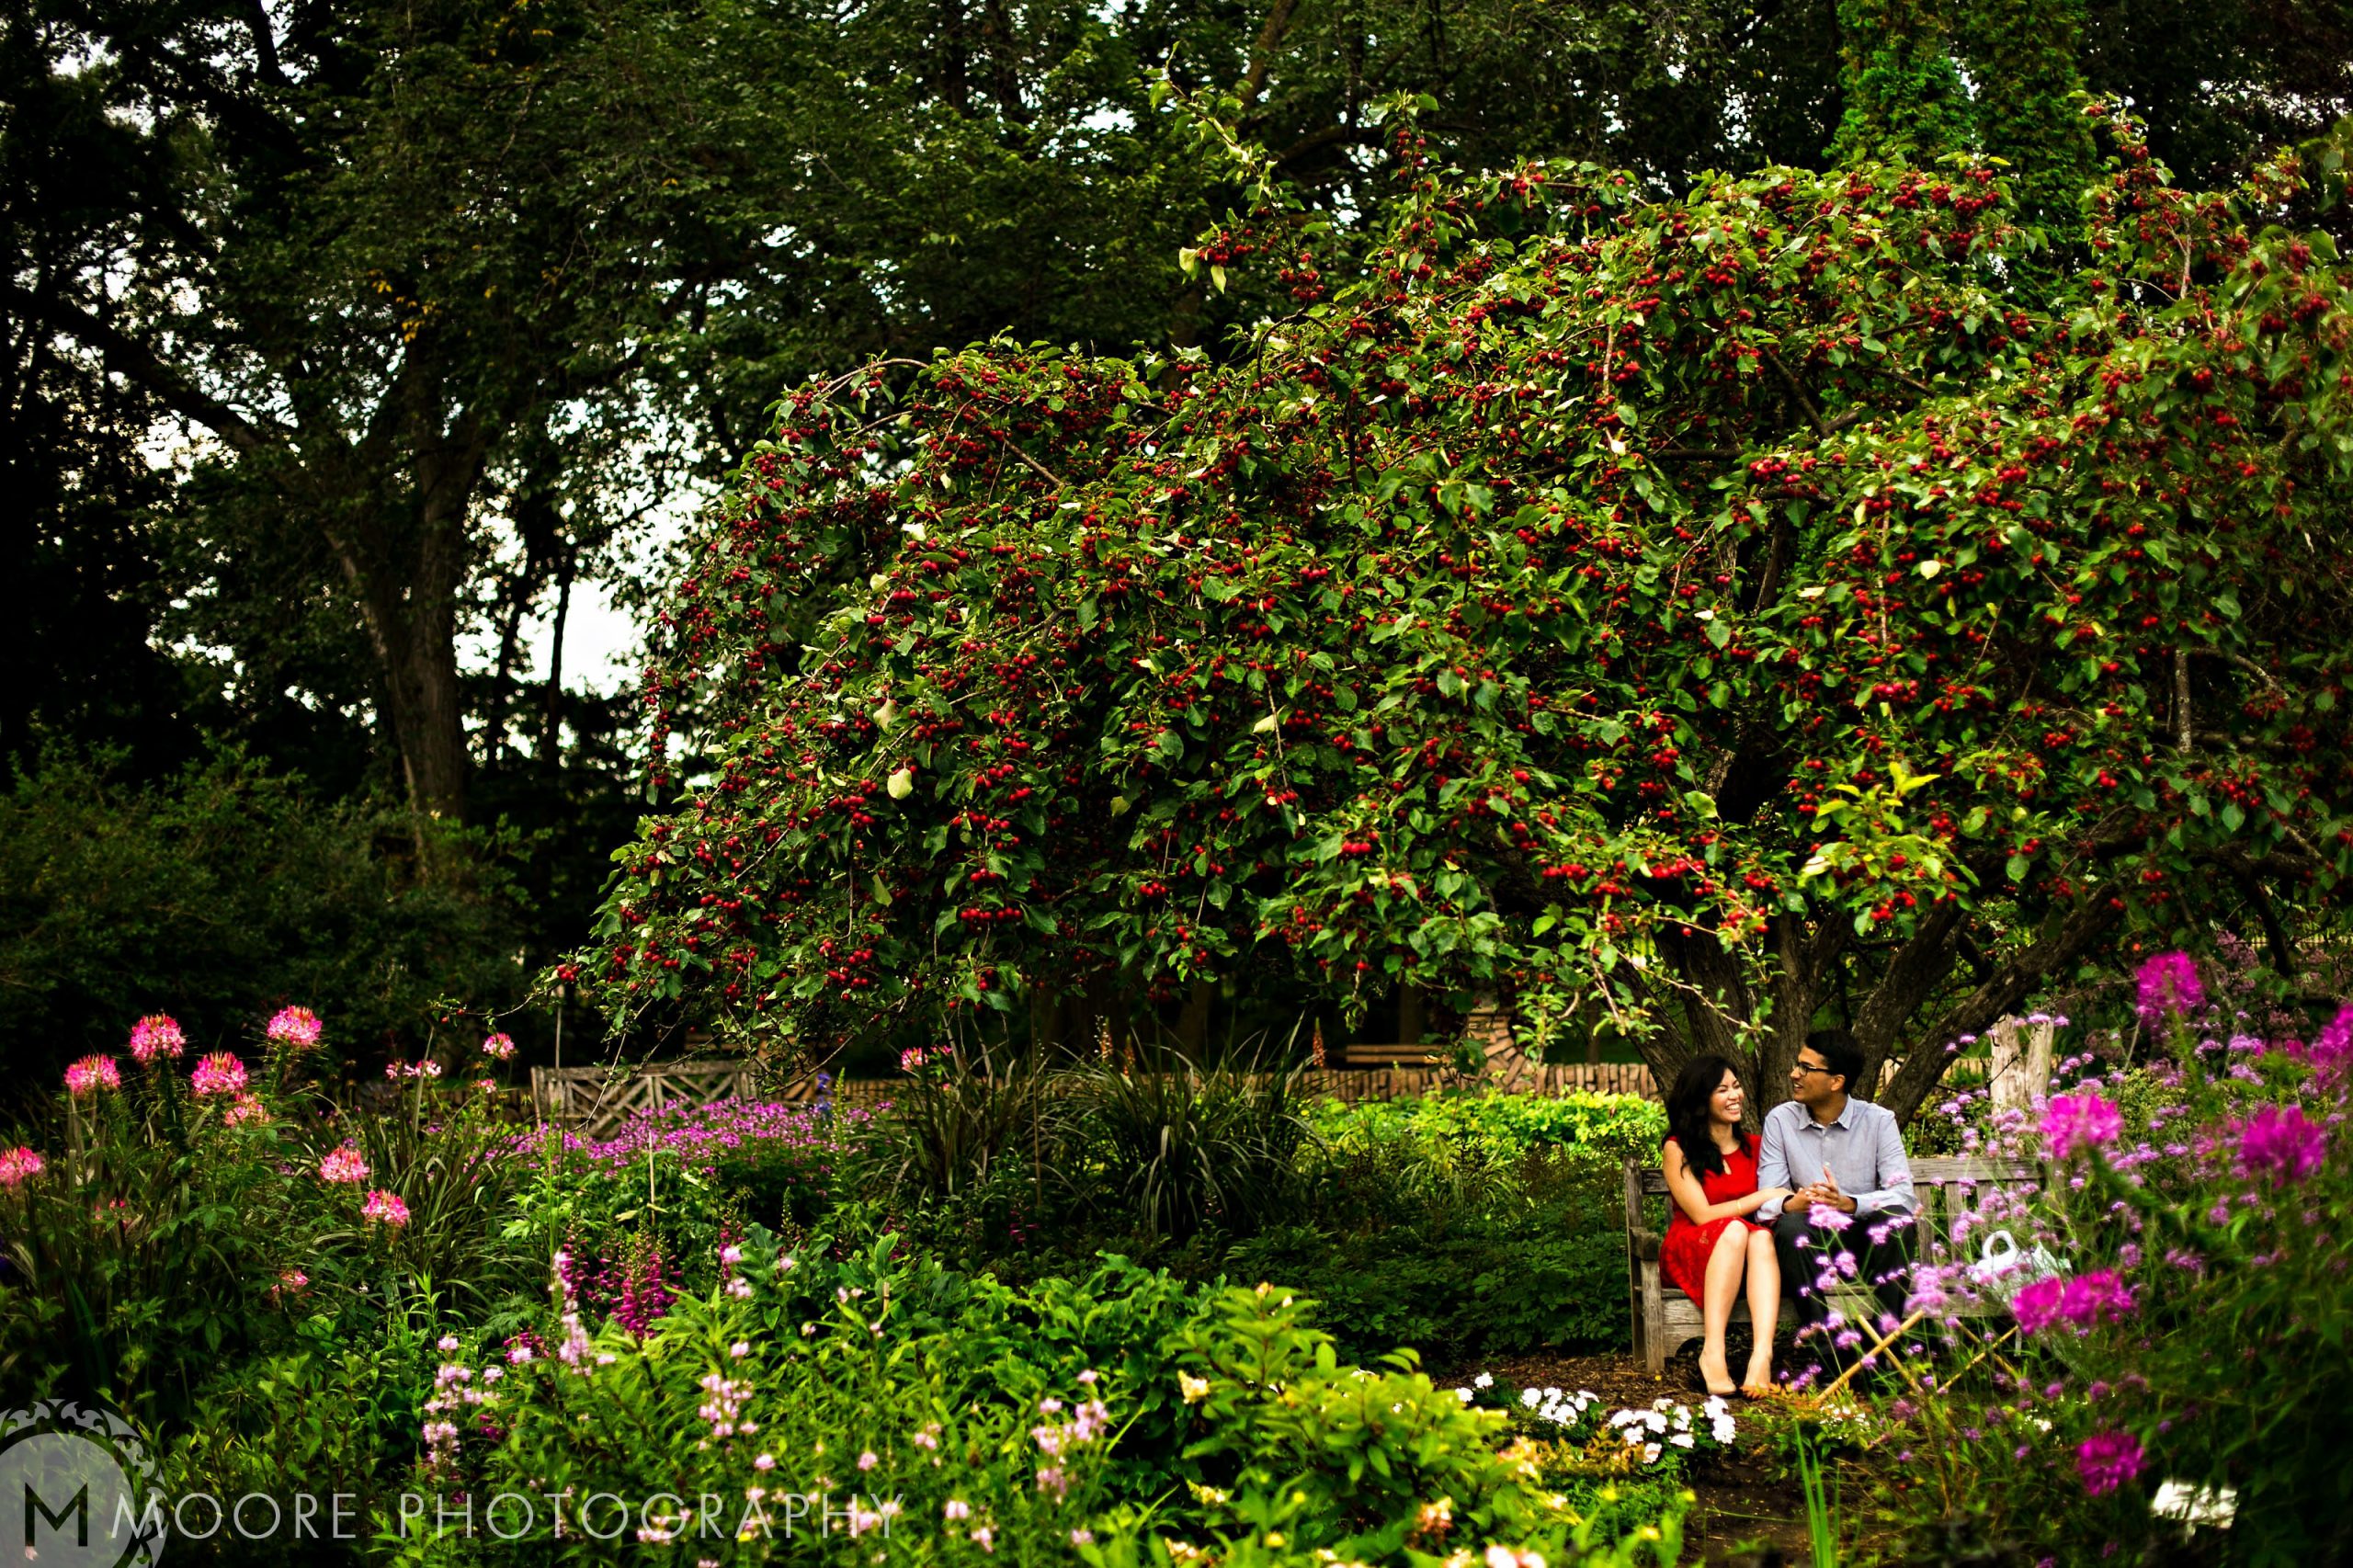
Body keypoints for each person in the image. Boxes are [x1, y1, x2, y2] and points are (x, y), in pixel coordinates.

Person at [1756, 1028, 1917, 1382]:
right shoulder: (1781, 1121)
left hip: (1865, 1243)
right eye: (1796, 1065)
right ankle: (1829, 1358)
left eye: (1805, 1068)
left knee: (1899, 1221)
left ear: (1836, 1081)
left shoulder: (1878, 1121)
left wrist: (1849, 1203)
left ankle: (1882, 1354)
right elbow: (1766, 1200)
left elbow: (1904, 1195)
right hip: (1811, 1246)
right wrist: (1792, 1202)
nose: (1794, 1074)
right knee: (1789, 1226)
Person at [1659, 1054, 1792, 1397]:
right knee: (1736, 1229)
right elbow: (1702, 1215)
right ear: (1700, 1099)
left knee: (1761, 1237)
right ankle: (1712, 1352)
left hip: (1747, 1252)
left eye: (1736, 1086)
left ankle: (1762, 1355)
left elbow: (1780, 1201)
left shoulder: (1757, 1147)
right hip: (1694, 1245)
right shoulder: (1678, 1148)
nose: (1735, 1095)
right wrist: (1761, 1195)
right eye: (1722, 1089)